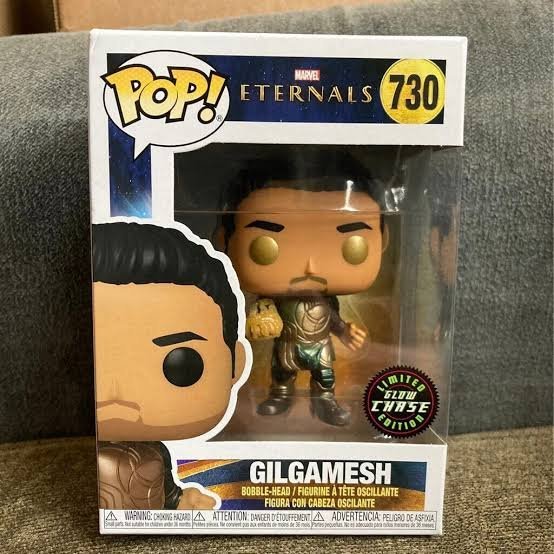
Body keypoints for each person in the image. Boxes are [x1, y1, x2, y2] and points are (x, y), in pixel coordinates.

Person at [221, 148, 387, 426]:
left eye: (352, 246)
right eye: (266, 247)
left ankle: (325, 401)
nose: (310, 266)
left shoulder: (326, 301)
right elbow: (258, 317)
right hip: (286, 343)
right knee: (282, 372)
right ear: (225, 240)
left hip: (319, 344)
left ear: (383, 239)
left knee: (325, 375)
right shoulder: (270, 299)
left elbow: (332, 318)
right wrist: (254, 322)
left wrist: (344, 331)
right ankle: (280, 396)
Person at [92, 221, 246, 509]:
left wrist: (180, 501)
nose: (117, 393)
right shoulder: (79, 455)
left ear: (236, 365)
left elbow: (167, 490)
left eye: (181, 364)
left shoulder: (156, 454)